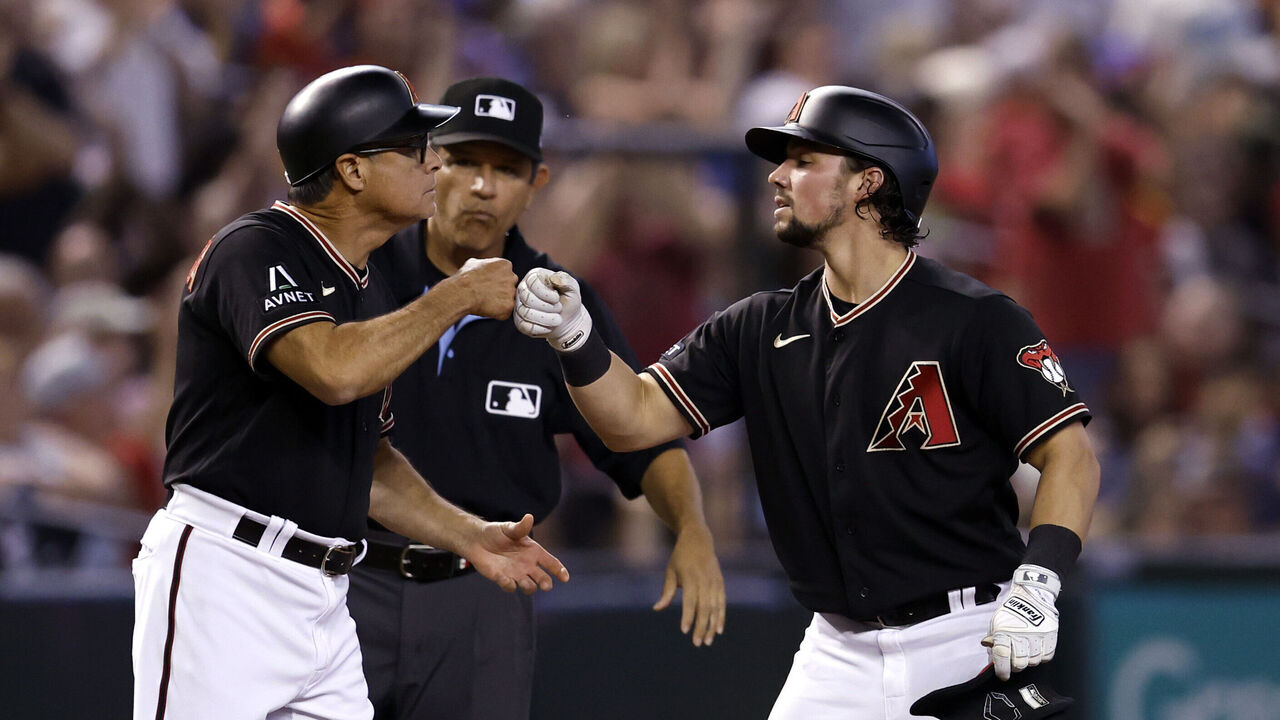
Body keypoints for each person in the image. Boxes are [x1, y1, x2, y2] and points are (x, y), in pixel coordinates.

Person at [514, 85, 1101, 719]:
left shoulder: (975, 319)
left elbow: (1071, 457)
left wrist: (1039, 581)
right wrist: (576, 339)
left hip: (969, 635)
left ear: (866, 183)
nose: (778, 176)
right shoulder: (756, 327)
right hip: (836, 650)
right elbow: (632, 420)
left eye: (804, 160)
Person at [131, 65, 569, 720]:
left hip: (325, 594)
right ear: (353, 170)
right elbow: (331, 372)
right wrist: (456, 296)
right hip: (226, 576)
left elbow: (370, 463)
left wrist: (468, 535)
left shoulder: (366, 285)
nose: (431, 163)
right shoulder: (254, 248)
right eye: (410, 148)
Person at [350, 77, 725, 720]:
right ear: (431, 162)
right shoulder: (361, 272)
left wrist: (691, 528)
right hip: (348, 578)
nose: (482, 186)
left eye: (507, 168)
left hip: (482, 599)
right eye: (464, 160)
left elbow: (638, 438)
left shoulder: (560, 306)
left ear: (538, 184)